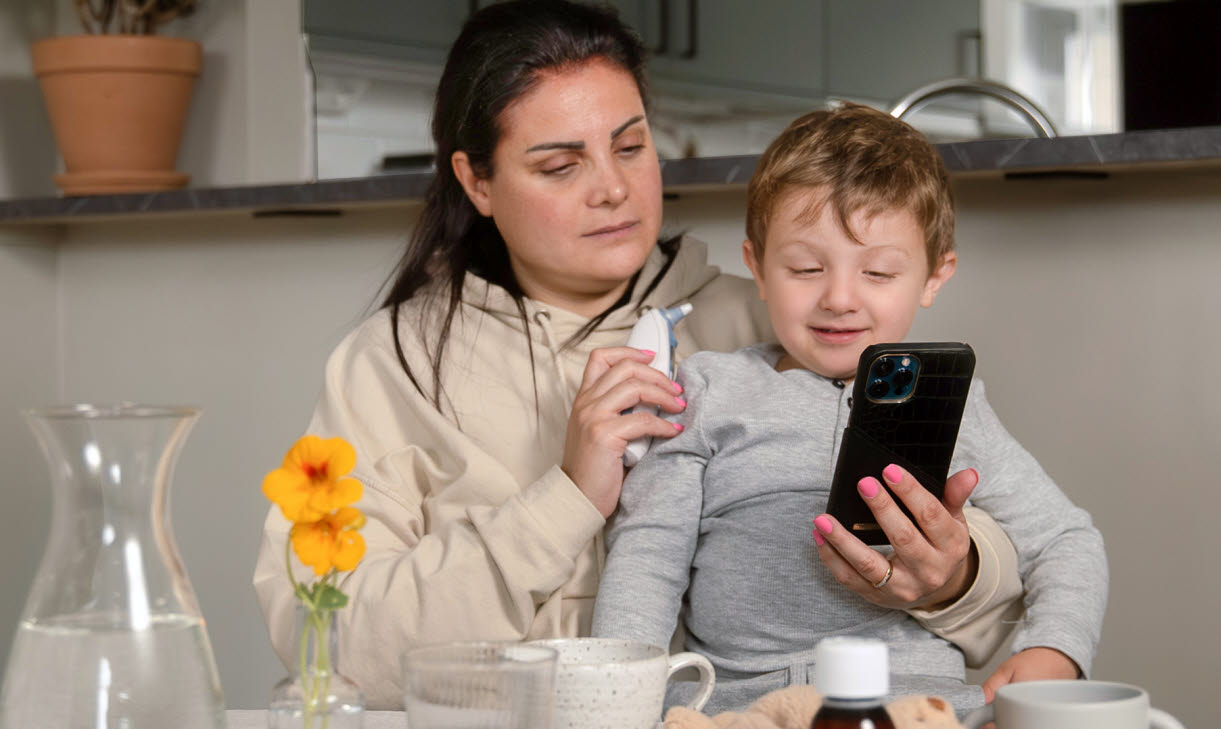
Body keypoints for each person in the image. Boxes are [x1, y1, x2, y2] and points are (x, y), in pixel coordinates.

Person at [253, 0, 1025, 710]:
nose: (613, 189)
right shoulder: (392, 365)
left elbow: (1007, 583)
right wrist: (565, 499)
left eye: (631, 146)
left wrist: (955, 576)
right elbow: (327, 645)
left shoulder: (785, 324)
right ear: (476, 180)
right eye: (562, 165)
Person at [591, 104, 1109, 716]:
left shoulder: (956, 405)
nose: (839, 298)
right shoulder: (706, 393)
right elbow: (645, 562)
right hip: (745, 704)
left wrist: (1056, 648)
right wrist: (617, 704)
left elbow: (1067, 538)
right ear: (756, 266)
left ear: (933, 277)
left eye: (879, 271)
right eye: (805, 268)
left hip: (922, 706)